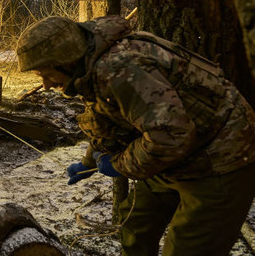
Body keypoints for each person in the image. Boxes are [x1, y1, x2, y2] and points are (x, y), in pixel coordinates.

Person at [16, 15, 255, 256]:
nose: (45, 85)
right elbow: (107, 121)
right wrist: (89, 162)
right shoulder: (91, 67)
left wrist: (120, 165)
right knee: (135, 231)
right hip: (174, 154)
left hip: (223, 158)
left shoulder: (121, 70)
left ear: (65, 61)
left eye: (45, 74)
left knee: (189, 249)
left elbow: (171, 136)